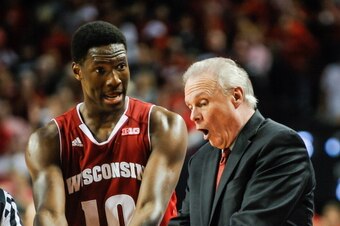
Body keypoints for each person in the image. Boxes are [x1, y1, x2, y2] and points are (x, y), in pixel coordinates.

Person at [25, 20, 188, 226]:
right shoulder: (49, 140)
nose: (115, 80)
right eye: (101, 70)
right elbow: (49, 216)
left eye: (121, 66)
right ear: (78, 72)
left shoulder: (161, 125)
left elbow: (149, 210)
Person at [169, 57, 316, 226]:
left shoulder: (280, 144)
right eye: (190, 107)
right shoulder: (200, 160)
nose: (193, 116)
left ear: (236, 97)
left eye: (202, 103)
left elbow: (251, 223)